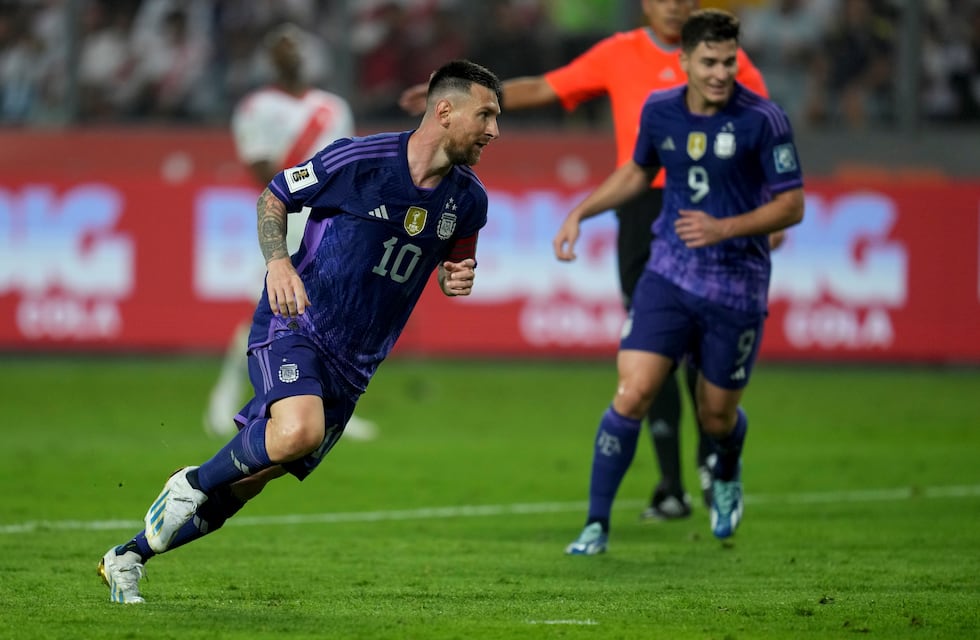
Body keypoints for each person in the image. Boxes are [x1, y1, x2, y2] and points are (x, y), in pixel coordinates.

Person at [97, 59, 502, 603]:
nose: (494, 131)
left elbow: (457, 261)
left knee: (248, 481)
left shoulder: (469, 201)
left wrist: (458, 277)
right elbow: (275, 196)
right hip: (296, 321)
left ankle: (127, 558)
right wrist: (278, 263)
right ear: (445, 110)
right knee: (296, 433)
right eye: (487, 115)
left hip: (355, 366)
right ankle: (190, 482)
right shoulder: (358, 160)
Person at [401, 0, 770, 521]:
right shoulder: (620, 53)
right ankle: (670, 486)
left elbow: (759, 132)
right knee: (654, 346)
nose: (675, 6)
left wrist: (761, 212)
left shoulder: (725, 63)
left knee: (702, 350)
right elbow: (546, 87)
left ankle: (715, 461)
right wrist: (461, 100)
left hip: (711, 207)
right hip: (642, 209)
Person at [552, 8, 804, 554]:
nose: (720, 72)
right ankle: (595, 525)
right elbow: (638, 172)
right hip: (667, 273)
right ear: (684, 61)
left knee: (716, 414)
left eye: (729, 61)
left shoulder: (764, 119)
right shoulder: (660, 109)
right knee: (633, 390)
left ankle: (727, 467)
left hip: (736, 284)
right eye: (709, 61)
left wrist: (727, 227)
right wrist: (581, 211)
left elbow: (792, 205)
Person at [206, 23, 378, 443]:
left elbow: (345, 166)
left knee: (330, 315)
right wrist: (299, 190)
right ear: (270, 57)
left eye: (296, 44)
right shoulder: (255, 107)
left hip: (326, 222)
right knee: (265, 308)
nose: (290, 52)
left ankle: (330, 403)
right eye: (280, 46)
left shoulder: (333, 108)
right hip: (279, 218)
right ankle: (224, 394)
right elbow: (260, 166)